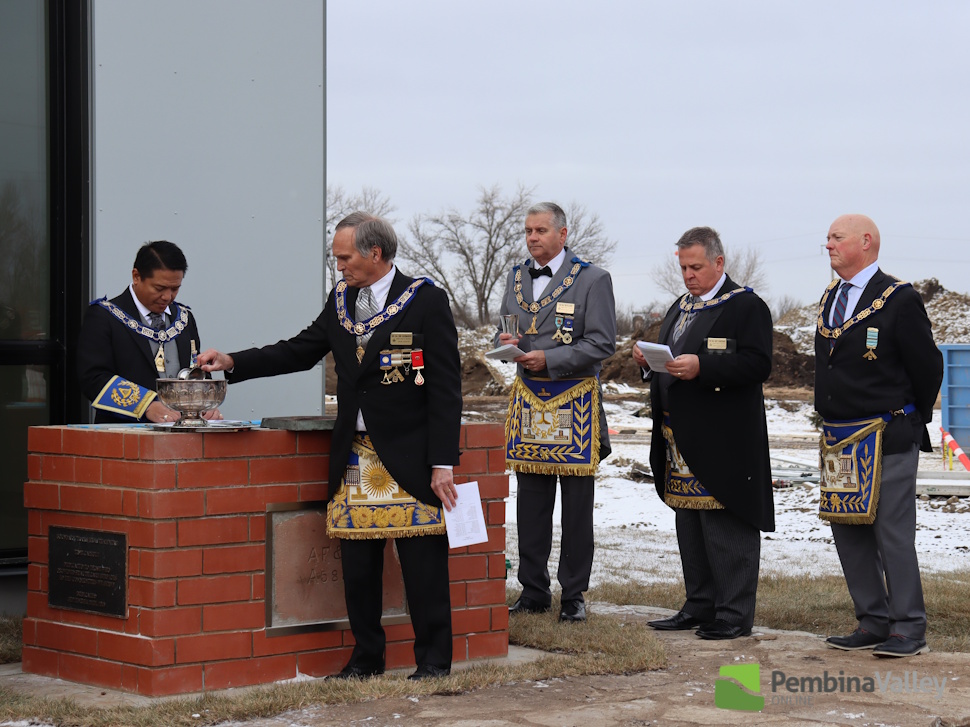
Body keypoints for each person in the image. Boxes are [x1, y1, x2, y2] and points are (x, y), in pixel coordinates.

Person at [198, 213, 462, 680]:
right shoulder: (342, 299)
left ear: (374, 254)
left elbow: (445, 387)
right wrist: (233, 361)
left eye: (344, 257)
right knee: (359, 569)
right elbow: (299, 349)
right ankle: (367, 659)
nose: (338, 266)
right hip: (355, 455)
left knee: (423, 567)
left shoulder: (425, 300)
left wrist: (443, 462)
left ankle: (434, 662)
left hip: (411, 454)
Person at [633, 226, 773, 640]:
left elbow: (757, 364)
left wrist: (703, 367)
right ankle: (699, 604)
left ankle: (732, 613)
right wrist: (646, 362)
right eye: (683, 267)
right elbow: (672, 362)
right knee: (690, 525)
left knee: (725, 526)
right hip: (680, 437)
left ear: (718, 262)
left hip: (725, 439)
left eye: (696, 267)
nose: (688, 275)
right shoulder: (680, 307)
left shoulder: (746, 306)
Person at [815, 214, 942, 658]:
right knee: (848, 531)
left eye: (836, 237)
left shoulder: (899, 299)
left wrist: (907, 416)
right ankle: (872, 621)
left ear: (865, 242)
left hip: (887, 433)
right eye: (828, 237)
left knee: (892, 535)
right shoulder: (831, 296)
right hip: (840, 437)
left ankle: (908, 628)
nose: (827, 244)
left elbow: (928, 367)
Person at [497, 202, 616, 624]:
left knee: (577, 508)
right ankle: (532, 590)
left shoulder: (593, 280)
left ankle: (574, 595)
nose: (532, 237)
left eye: (541, 230)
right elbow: (504, 327)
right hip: (529, 400)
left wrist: (548, 358)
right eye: (528, 230)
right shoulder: (514, 277)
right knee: (530, 503)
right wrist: (506, 340)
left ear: (563, 234)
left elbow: (603, 344)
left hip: (575, 399)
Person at [77, 240, 218, 423]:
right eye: (159, 288)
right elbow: (93, 378)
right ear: (136, 276)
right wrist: (146, 405)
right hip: (124, 437)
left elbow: (195, 370)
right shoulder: (104, 316)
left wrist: (206, 405)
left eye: (175, 289)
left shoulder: (184, 318)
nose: (167, 297)